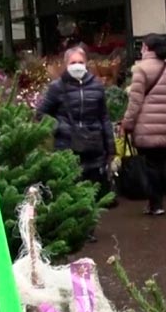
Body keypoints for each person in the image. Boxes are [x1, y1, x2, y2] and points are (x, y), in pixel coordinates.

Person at [37, 45, 115, 241]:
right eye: (73, 63)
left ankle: (88, 228)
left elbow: (104, 117)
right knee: (72, 186)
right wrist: (60, 127)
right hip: (67, 146)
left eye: (80, 62)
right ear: (66, 65)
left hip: (93, 145)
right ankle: (73, 226)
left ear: (86, 63)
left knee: (91, 187)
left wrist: (110, 147)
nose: (77, 66)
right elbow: (41, 114)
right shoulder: (57, 88)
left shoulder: (96, 86)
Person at [121, 34, 166, 215]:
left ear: (147, 48)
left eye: (142, 46)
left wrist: (127, 123)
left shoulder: (140, 69)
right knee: (165, 160)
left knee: (150, 165)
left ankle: (156, 205)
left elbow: (135, 101)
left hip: (146, 125)